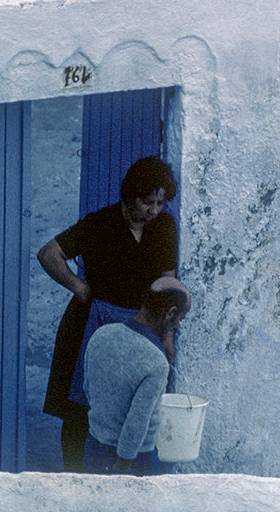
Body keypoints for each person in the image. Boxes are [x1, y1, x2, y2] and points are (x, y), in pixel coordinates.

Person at [38, 155, 178, 472]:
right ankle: (74, 480)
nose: (154, 210)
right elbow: (49, 254)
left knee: (136, 407)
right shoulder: (100, 223)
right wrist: (81, 288)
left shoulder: (165, 227)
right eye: (147, 202)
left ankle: (124, 479)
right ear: (130, 195)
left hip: (142, 328)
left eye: (160, 202)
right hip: (93, 326)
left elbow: (168, 282)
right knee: (82, 408)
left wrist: (167, 335)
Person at [82, 277, 191, 476]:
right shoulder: (155, 362)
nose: (176, 327)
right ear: (171, 313)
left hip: (93, 446)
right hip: (133, 459)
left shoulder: (100, 335)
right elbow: (137, 422)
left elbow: (88, 390)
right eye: (179, 320)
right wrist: (123, 466)